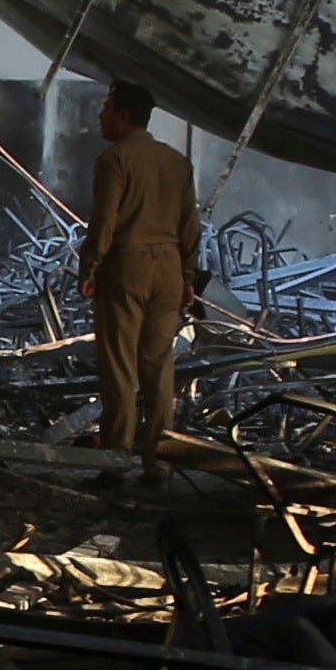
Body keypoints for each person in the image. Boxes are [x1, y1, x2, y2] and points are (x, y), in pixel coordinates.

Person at [86, 86, 200, 453]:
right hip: (169, 267)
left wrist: (89, 267)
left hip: (127, 265)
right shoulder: (177, 162)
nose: (101, 116)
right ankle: (159, 459)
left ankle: (117, 458)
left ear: (122, 115)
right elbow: (190, 225)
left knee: (120, 366)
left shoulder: (114, 160)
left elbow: (104, 223)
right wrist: (187, 277)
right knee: (159, 368)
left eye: (106, 109)